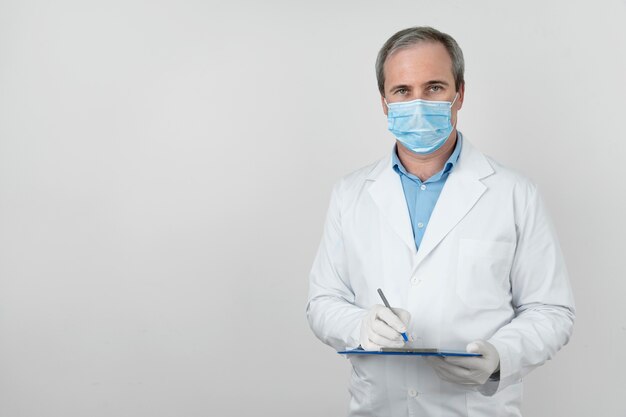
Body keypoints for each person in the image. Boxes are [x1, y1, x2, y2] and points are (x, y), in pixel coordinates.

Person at [306, 26, 575, 417]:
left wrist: (502, 356)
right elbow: (322, 302)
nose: (418, 103)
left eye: (434, 88)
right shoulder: (350, 194)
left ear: (459, 93)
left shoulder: (515, 193)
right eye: (402, 91)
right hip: (378, 407)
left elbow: (552, 310)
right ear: (384, 102)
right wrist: (360, 326)